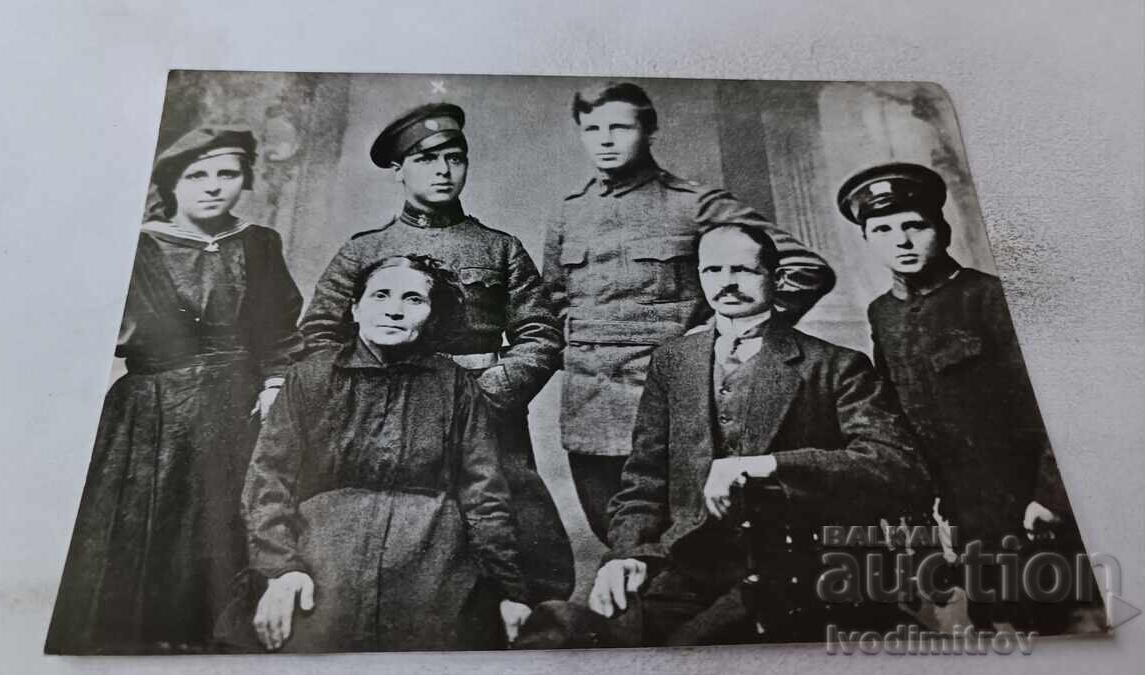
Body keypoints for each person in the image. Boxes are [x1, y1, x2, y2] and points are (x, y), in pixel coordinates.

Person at [517, 223, 928, 647]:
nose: (727, 283)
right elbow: (644, 481)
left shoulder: (836, 366)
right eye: (712, 271)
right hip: (690, 568)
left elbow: (895, 465)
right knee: (567, 635)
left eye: (743, 271)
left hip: (798, 570)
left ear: (777, 277)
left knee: (685, 653)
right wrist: (626, 556)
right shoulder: (673, 362)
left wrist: (765, 466)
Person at [298, 102, 573, 602]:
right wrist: (363, 393)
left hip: (487, 414)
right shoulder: (364, 250)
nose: (444, 171)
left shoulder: (500, 248)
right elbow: (319, 332)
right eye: (426, 160)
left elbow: (541, 334)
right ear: (398, 171)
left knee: (513, 538)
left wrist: (487, 394)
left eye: (454, 158)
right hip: (385, 416)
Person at [541, 81, 837, 544]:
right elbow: (555, 299)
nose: (605, 139)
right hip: (590, 412)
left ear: (649, 129)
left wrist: (729, 336)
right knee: (614, 541)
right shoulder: (567, 213)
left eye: (620, 126)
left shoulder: (694, 204)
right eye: (592, 127)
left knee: (683, 543)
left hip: (673, 407)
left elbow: (805, 269)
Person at [45, 127, 304, 654]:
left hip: (238, 407)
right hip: (152, 411)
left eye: (227, 174)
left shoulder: (260, 243)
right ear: (173, 184)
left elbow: (280, 330)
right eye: (196, 176)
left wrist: (276, 383)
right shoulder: (138, 244)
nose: (213, 187)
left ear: (244, 181)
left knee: (222, 524)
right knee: (147, 525)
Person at [231, 255, 531, 652]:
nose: (394, 309)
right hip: (323, 553)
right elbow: (269, 481)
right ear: (355, 308)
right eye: (380, 296)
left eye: (413, 299)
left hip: (432, 555)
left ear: (432, 314)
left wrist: (508, 590)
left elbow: (483, 492)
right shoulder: (311, 377)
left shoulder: (454, 385)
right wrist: (281, 569)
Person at [837, 162, 1089, 630]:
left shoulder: (991, 299)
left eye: (915, 225)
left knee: (1056, 627)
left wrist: (1052, 498)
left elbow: (1059, 406)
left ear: (943, 229)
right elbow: (895, 410)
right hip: (953, 513)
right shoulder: (883, 313)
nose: (902, 241)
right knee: (989, 622)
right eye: (884, 229)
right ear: (868, 239)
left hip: (1025, 506)